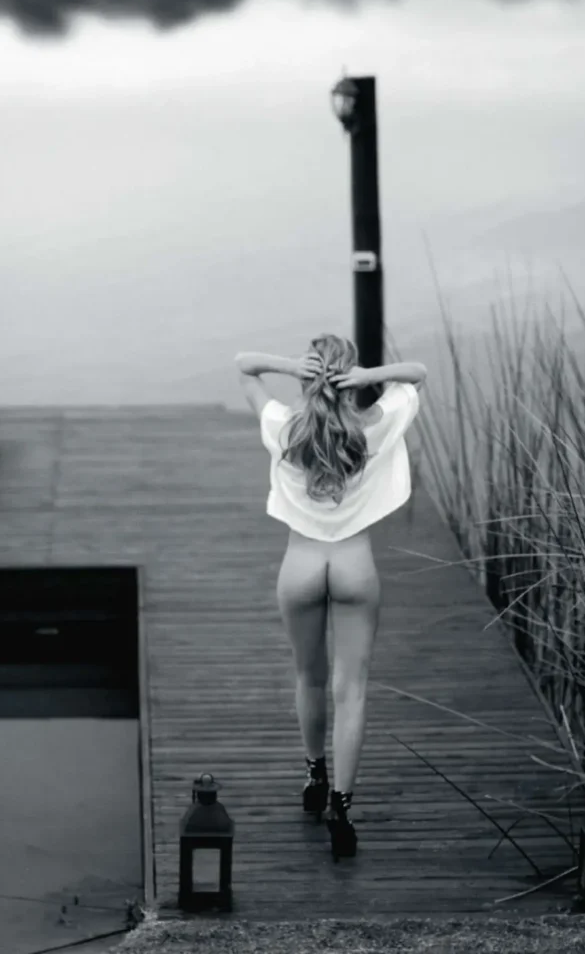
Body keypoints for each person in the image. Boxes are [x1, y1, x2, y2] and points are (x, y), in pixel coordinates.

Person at [234, 333, 426, 861]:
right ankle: (342, 808)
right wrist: (370, 377)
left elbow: (244, 366)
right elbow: (418, 374)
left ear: (310, 377)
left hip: (300, 566)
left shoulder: (284, 427)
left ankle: (314, 772)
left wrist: (291, 366)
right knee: (352, 690)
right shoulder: (374, 427)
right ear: (349, 377)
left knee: (309, 676)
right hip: (353, 567)